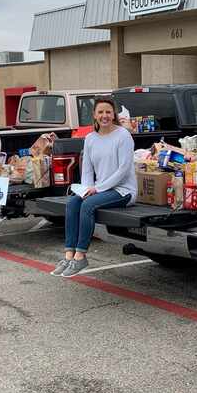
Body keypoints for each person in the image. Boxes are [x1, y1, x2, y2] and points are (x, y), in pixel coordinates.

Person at [51, 97, 136, 278]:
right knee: (73, 202)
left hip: (123, 190)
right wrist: (86, 189)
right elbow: (87, 169)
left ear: (114, 114)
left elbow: (123, 170)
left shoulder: (123, 135)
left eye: (108, 112)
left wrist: (98, 189)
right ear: (94, 115)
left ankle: (81, 255)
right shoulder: (90, 138)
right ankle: (69, 255)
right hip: (101, 189)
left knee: (88, 205)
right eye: (100, 112)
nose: (104, 116)